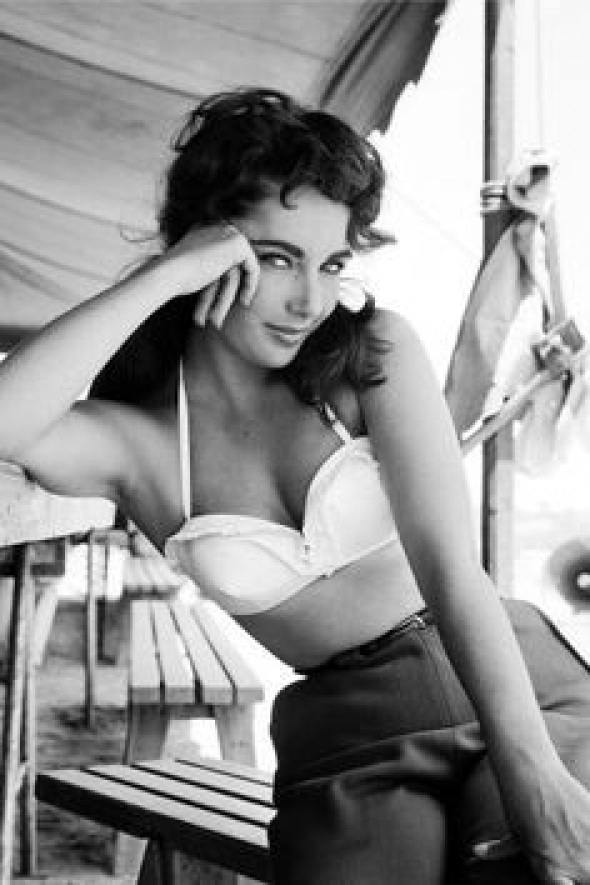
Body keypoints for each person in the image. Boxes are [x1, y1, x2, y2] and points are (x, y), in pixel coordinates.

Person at [0, 87, 589, 884]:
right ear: (209, 243)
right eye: (278, 258)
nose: (310, 300)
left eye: (332, 263)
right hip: (348, 735)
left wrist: (536, 773)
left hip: (512, 679)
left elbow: (453, 570)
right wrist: (164, 276)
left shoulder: (372, 356)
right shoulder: (141, 444)